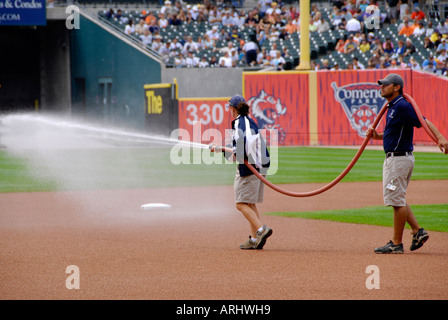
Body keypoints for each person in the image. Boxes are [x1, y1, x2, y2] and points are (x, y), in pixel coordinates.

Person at [366, 74, 448, 254]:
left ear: (396, 87)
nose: (381, 87)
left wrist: (440, 138)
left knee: (396, 199)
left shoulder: (402, 105)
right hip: (396, 159)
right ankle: (418, 231)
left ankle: (396, 243)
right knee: (398, 197)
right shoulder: (393, 107)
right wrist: (377, 136)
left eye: (385, 85)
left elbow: (423, 121)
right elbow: (395, 133)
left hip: (398, 160)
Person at [210, 94, 272, 250]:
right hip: (260, 164)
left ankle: (261, 230)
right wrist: (222, 149)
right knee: (250, 203)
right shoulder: (249, 121)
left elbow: (239, 152)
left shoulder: (239, 123)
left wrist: (222, 150)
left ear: (232, 109)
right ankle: (254, 239)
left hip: (251, 166)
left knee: (240, 204)